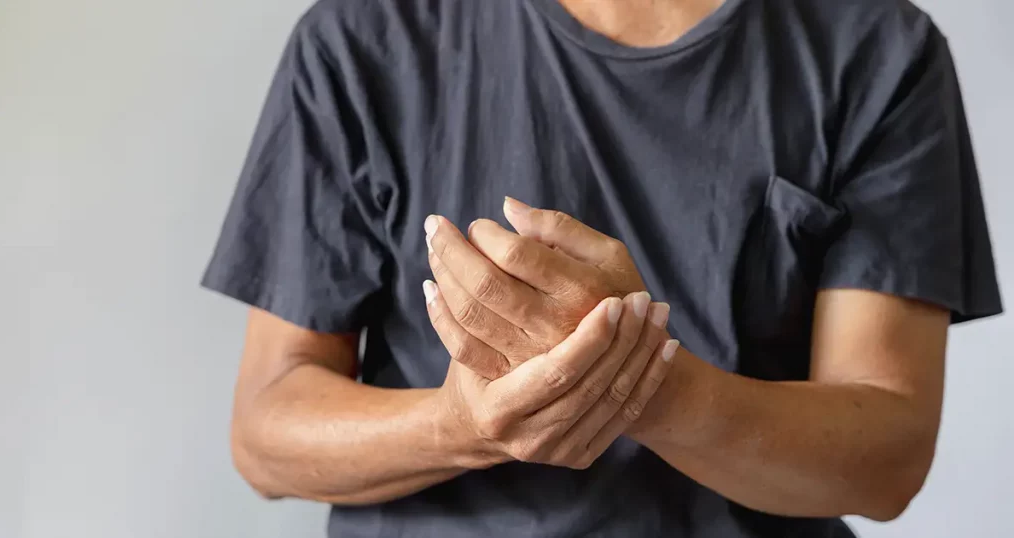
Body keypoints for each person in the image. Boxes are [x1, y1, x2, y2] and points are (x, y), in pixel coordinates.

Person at [201, 0, 1003, 536]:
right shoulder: (367, 39)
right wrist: (461, 427)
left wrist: (645, 384)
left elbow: (886, 457)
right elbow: (267, 433)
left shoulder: (876, 49)